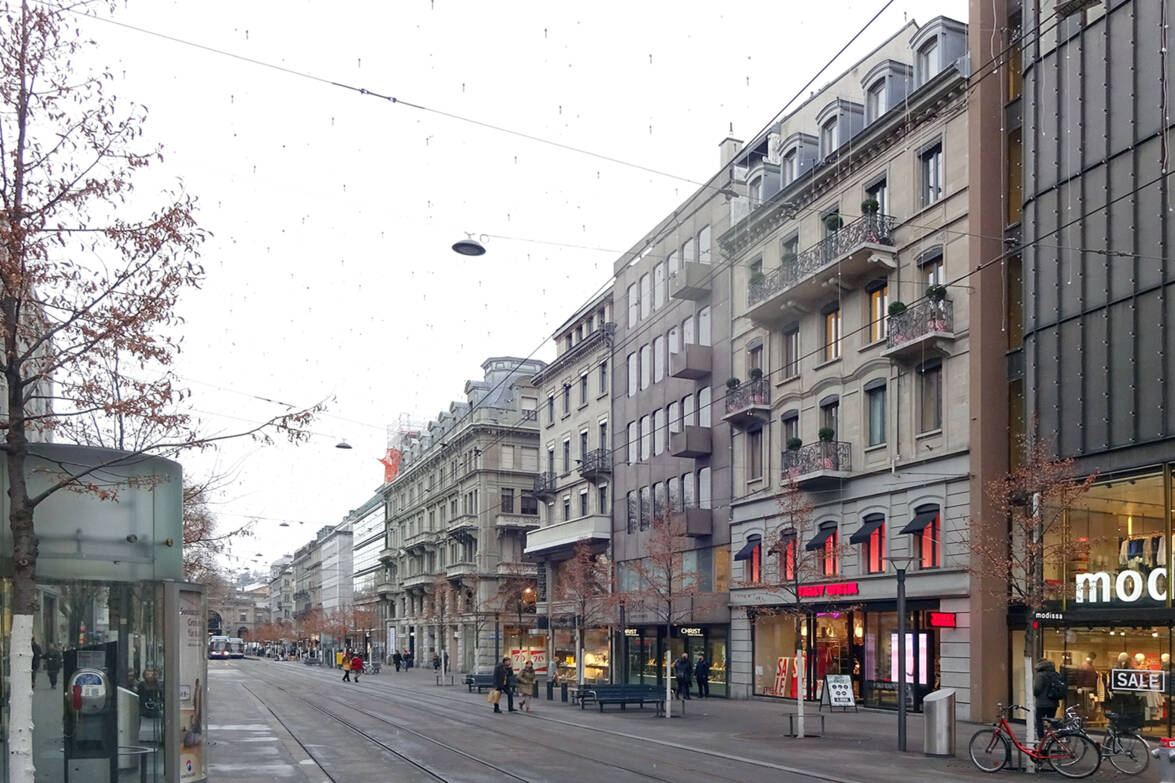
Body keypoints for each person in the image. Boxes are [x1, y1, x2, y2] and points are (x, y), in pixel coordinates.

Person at [1032, 658, 1064, 740]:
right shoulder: (1055, 674)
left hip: (1042, 703)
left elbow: (1037, 689)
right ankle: (1060, 734)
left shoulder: (1040, 675)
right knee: (1052, 720)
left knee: (1039, 721)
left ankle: (1041, 738)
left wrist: (1035, 694)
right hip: (1054, 702)